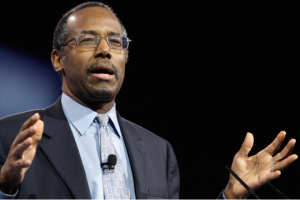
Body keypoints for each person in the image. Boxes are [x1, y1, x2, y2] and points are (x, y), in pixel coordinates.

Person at [0, 2, 297, 199]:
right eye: (88, 40)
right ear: (57, 59)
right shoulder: (11, 136)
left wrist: (230, 195)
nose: (105, 51)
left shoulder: (158, 151)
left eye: (116, 42)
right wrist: (5, 187)